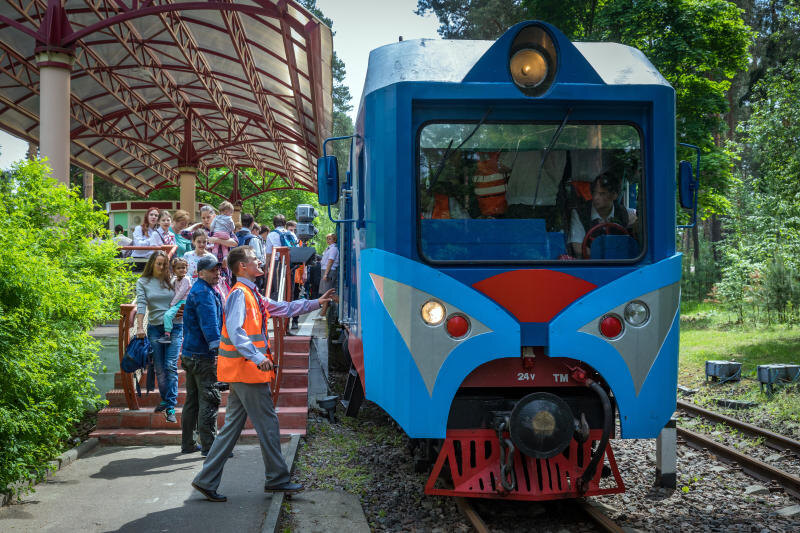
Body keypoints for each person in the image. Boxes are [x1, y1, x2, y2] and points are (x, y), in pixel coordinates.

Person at [191, 246, 337, 502]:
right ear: (242, 267)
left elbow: (283, 308)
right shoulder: (241, 294)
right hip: (248, 371)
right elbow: (236, 332)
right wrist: (259, 358)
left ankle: (206, 479)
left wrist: (316, 302)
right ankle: (277, 479)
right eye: (254, 259)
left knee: (231, 429)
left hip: (243, 371)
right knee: (268, 424)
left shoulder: (250, 293)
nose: (259, 261)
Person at [180, 255, 224, 455]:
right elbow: (210, 325)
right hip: (202, 355)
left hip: (190, 353)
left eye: (218, 269)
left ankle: (188, 443)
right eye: (213, 270)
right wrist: (218, 350)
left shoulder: (200, 289)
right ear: (201, 273)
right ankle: (210, 447)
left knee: (192, 401)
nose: (217, 273)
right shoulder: (204, 293)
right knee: (209, 399)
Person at [135, 251, 182, 423]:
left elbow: (184, 296)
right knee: (160, 368)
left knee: (170, 365)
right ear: (152, 264)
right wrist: (140, 327)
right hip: (155, 328)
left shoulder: (173, 280)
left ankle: (170, 406)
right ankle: (166, 399)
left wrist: (183, 310)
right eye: (159, 264)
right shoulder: (143, 282)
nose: (162, 267)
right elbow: (141, 305)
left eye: (164, 264)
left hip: (175, 326)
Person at [568, 173, 637, 259]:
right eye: (594, 192)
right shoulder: (580, 213)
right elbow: (578, 248)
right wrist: (605, 257)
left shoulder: (623, 213)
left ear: (614, 195)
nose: (596, 197)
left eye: (602, 194)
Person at [158, 257, 191, 344]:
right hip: (179, 302)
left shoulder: (186, 279)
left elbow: (181, 293)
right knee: (169, 315)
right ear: (174, 270)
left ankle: (167, 335)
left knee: (167, 315)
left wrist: (172, 304)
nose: (181, 270)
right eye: (178, 268)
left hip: (183, 302)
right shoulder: (176, 279)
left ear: (186, 268)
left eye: (183, 267)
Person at [319, 233, 339, 315]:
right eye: (327, 238)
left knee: (328, 293)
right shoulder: (329, 248)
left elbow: (330, 261)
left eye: (330, 239)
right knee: (326, 293)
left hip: (329, 271)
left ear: (334, 240)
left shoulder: (333, 249)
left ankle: (323, 313)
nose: (328, 240)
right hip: (325, 270)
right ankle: (323, 313)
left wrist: (326, 274)